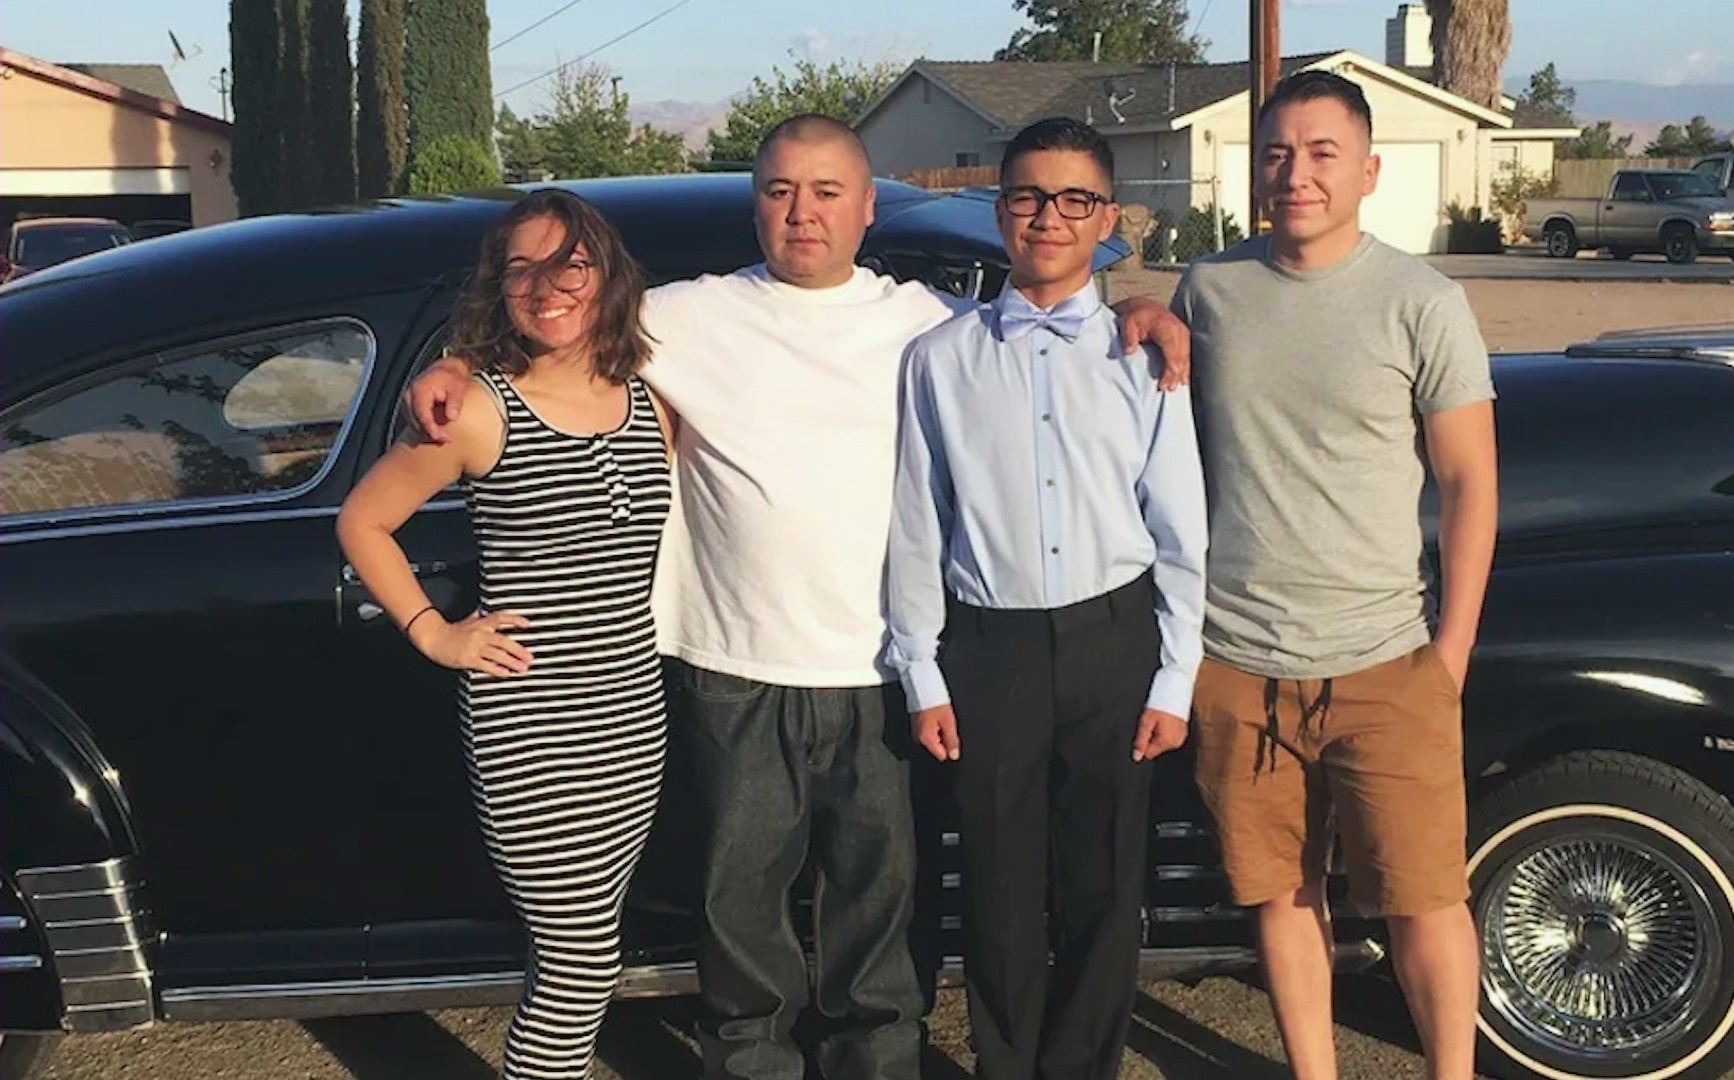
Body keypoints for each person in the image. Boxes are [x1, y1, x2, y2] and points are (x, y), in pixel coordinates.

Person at [404, 115, 1192, 1080]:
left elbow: (1045, 320)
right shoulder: (682, 316)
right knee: (742, 930)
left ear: (865, 205)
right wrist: (447, 365)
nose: (802, 212)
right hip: (732, 672)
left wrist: (1139, 311)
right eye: (780, 191)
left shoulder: (930, 321)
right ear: (756, 206)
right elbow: (550, 329)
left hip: (886, 676)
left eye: (826, 192)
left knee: (882, 927)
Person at [1174, 71, 1498, 1080]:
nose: (1296, 173)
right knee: (1281, 895)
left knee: (1422, 899)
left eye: (1321, 154)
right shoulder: (1209, 291)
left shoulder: (1422, 302)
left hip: (1386, 661)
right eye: (1277, 153)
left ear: (1367, 170)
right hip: (1237, 662)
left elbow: (1470, 484)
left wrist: (1448, 656)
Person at [884, 117, 1207, 1080]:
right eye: (1028, 196)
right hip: (989, 651)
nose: (1049, 217)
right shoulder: (937, 358)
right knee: (997, 885)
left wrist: (1175, 676)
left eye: (1074, 199)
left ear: (1106, 216)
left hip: (1115, 642)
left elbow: (1179, 524)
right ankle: (1008, 1064)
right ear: (1000, 209)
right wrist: (921, 672)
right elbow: (916, 522)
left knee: (1105, 886)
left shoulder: (1148, 354)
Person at [337, 188, 673, 1080]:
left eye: (568, 261)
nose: (546, 284)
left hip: (633, 718)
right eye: (520, 268)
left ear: (606, 273)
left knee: (592, 942)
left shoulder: (649, 399)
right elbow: (364, 522)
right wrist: (435, 633)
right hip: (531, 722)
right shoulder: (481, 409)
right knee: (577, 963)